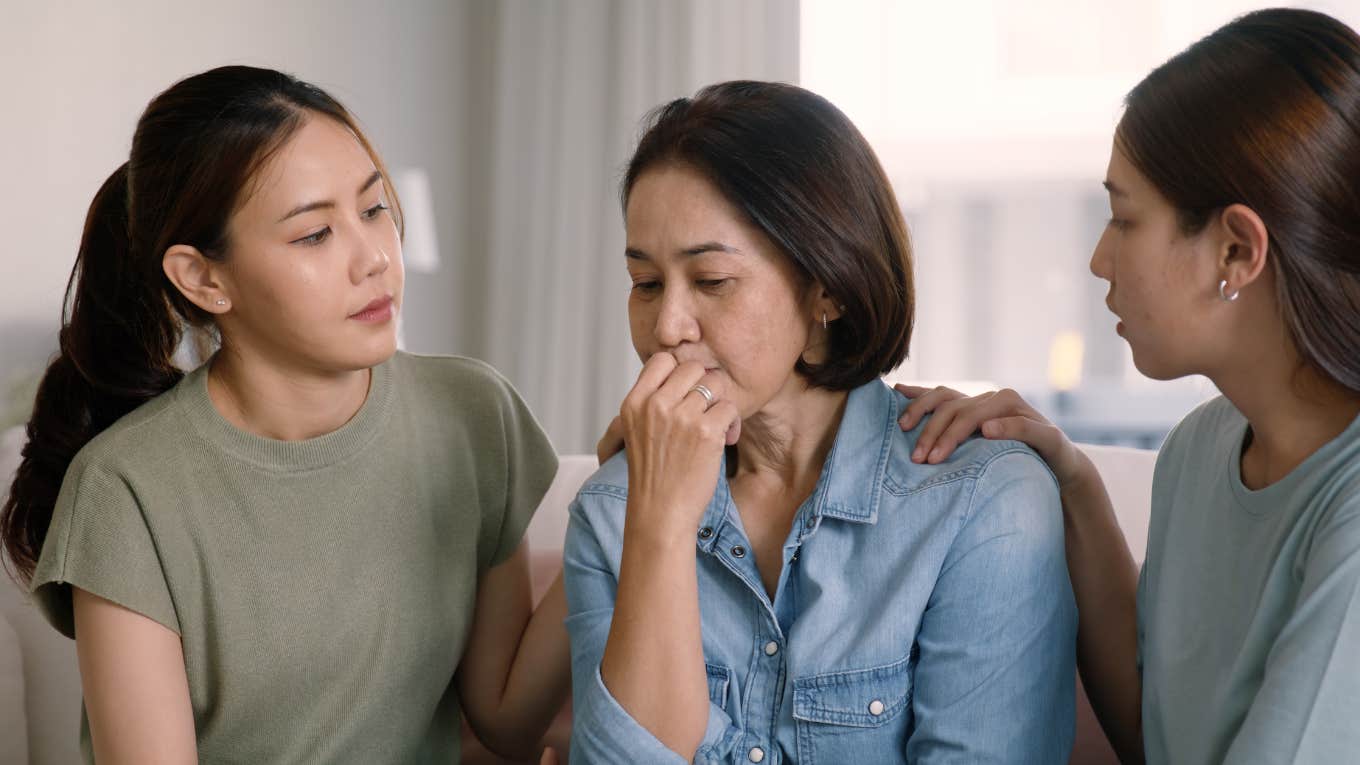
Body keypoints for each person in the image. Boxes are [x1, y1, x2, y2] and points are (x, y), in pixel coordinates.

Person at [0, 65, 569, 764]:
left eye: (373, 208)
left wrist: (627, 507)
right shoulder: (126, 490)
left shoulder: (472, 414)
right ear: (204, 278)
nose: (374, 259)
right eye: (314, 234)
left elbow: (507, 718)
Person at [895, 8, 1360, 764]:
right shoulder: (1201, 448)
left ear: (1236, 250)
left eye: (1123, 218)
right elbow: (1151, 728)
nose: (1099, 260)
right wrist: (1070, 478)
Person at [567, 80, 1076, 764]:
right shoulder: (612, 511)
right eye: (646, 283)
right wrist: (658, 526)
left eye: (712, 280)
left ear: (826, 288)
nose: (667, 326)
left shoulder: (985, 504)